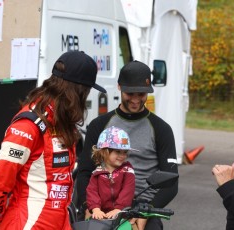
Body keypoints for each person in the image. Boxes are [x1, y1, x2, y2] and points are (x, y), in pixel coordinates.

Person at [0, 50, 106, 230]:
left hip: (58, 221)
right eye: (87, 91)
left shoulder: (61, 121)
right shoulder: (28, 126)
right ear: (77, 91)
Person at [76, 60, 179, 230]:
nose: (136, 99)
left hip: (143, 206)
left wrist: (145, 212)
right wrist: (88, 205)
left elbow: (171, 183)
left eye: (141, 94)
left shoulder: (162, 129)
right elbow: (85, 172)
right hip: (100, 205)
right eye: (130, 93)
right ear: (119, 87)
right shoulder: (99, 125)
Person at [86, 126, 136, 220]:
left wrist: (119, 208)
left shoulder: (128, 171)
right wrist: (95, 209)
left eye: (125, 152)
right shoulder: (97, 173)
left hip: (123, 214)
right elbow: (92, 192)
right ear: (104, 152)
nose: (122, 156)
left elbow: (127, 191)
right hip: (101, 214)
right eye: (117, 151)